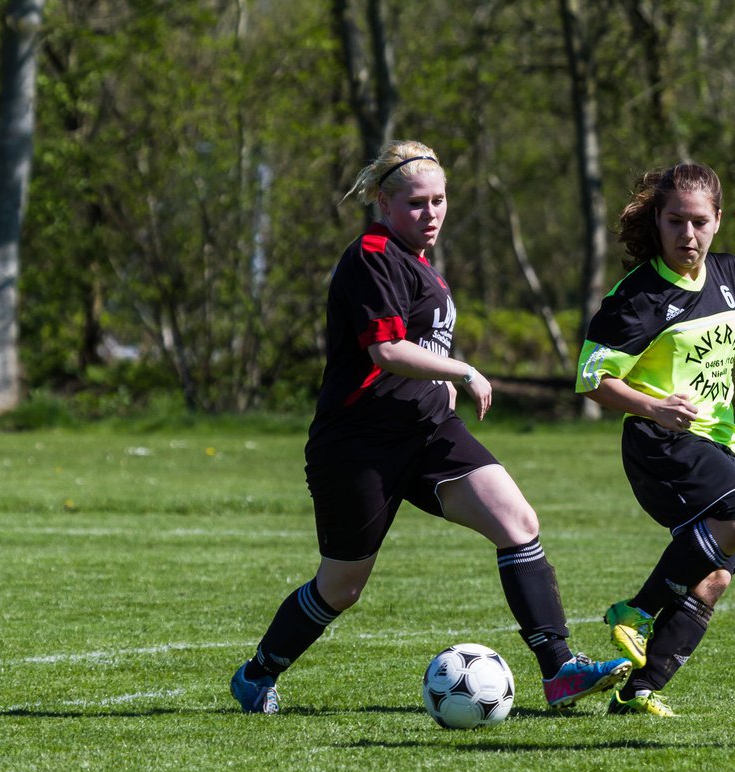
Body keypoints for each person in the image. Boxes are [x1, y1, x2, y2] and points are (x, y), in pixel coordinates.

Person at [230, 140, 631, 714]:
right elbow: (387, 351)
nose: (432, 213)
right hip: (359, 444)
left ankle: (559, 670)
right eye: (417, 203)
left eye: (439, 201)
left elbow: (416, 351)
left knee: (517, 521)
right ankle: (257, 673)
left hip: (426, 431)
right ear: (384, 204)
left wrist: (439, 382)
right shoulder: (371, 255)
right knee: (341, 587)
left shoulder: (423, 268)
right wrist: (462, 370)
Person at [576, 162, 735, 717]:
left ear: (717, 221)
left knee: (714, 576)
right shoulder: (639, 295)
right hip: (658, 441)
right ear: (658, 221)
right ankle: (636, 612)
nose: (686, 235)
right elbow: (591, 376)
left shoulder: (730, 276)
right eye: (675, 222)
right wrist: (653, 406)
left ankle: (639, 692)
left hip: (718, 443)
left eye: (698, 222)